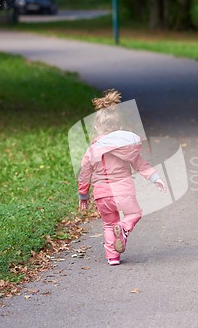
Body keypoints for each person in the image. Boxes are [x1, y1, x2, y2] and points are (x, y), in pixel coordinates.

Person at [77, 89, 166, 266]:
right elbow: (140, 164)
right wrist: (155, 178)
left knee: (109, 224)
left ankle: (113, 257)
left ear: (96, 127)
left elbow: (84, 174)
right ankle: (124, 229)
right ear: (119, 127)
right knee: (134, 213)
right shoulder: (126, 146)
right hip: (123, 192)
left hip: (102, 195)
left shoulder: (92, 150)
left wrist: (83, 195)